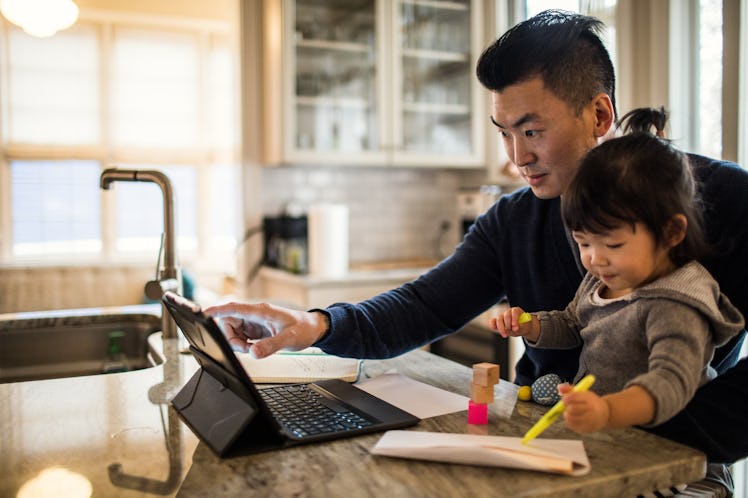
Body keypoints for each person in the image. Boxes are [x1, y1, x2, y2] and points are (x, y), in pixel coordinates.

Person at [206, 9, 748, 469]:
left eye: (532, 130)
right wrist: (315, 324)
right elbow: (422, 306)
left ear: (600, 114)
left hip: (666, 464)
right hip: (536, 447)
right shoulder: (513, 220)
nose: (517, 156)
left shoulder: (722, 198)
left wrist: (658, 435)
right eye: (505, 133)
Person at [490, 115, 744, 435]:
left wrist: (609, 409)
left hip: (668, 458)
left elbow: (671, 383)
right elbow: (573, 323)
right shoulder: (604, 280)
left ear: (671, 232)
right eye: (584, 242)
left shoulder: (677, 304)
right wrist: (532, 325)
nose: (595, 258)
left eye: (613, 243)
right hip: (612, 437)